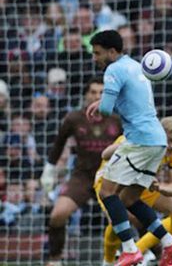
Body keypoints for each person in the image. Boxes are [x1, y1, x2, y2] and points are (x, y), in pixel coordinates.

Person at [85, 30, 172, 266]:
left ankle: (130, 249)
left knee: (106, 192)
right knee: (129, 199)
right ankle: (170, 243)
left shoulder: (114, 70)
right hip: (156, 141)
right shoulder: (134, 66)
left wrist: (102, 103)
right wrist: (105, 99)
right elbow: (130, 98)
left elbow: (108, 111)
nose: (95, 58)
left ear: (112, 52)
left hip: (139, 140)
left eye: (98, 53)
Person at [42, 77, 122, 266]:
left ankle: (142, 256)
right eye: (93, 92)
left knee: (127, 218)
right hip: (82, 178)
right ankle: (55, 261)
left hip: (109, 178)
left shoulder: (116, 120)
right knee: (57, 215)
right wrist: (48, 170)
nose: (97, 96)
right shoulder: (74, 118)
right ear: (86, 94)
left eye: (101, 92)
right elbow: (58, 144)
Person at [95, 117, 172, 266]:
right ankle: (111, 260)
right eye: (169, 140)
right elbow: (105, 155)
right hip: (110, 181)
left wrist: (159, 187)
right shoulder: (139, 137)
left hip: (142, 182)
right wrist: (127, 143)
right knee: (119, 217)